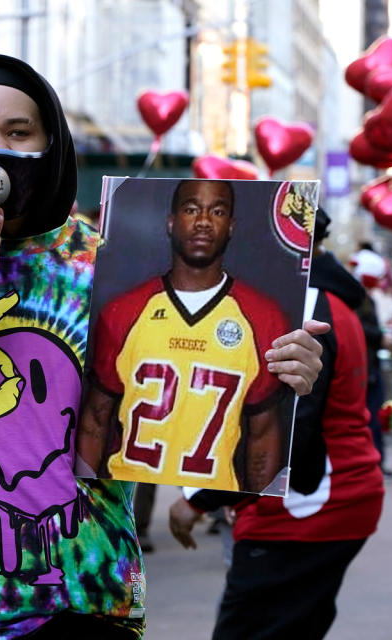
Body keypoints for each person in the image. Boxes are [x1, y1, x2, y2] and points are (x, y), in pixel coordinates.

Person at [0, 53, 326, 639]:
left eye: (18, 132)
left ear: (53, 142)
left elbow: (230, 438)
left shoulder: (114, 265)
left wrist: (282, 387)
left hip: (88, 607)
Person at [167, 208, 384, 640]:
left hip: (307, 509)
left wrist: (198, 501)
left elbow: (288, 426)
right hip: (330, 501)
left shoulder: (306, 308)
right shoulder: (329, 299)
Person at [79, 179, 291, 493]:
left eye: (217, 211)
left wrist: (255, 509)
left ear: (231, 226)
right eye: (191, 209)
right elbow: (95, 420)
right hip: (121, 488)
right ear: (171, 221)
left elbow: (263, 434)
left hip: (217, 493)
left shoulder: (264, 318)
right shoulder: (123, 312)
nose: (203, 221)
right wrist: (83, 497)